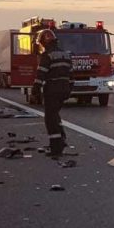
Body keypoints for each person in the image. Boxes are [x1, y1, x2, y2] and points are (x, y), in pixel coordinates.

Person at [34, 29, 72, 157]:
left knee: (50, 118)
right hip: (64, 89)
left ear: (44, 42)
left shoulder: (47, 55)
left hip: (52, 89)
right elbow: (71, 75)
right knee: (55, 114)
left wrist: (36, 89)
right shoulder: (66, 54)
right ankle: (62, 139)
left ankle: (56, 147)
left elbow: (41, 73)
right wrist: (69, 89)